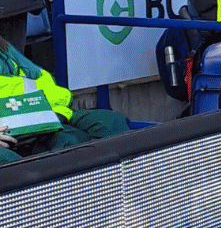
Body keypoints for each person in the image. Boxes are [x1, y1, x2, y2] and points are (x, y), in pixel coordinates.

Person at [0, 36, 128, 165]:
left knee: (111, 122)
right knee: (67, 141)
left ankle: (119, 174)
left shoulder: (4, 49)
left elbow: (45, 83)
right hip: (8, 129)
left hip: (40, 115)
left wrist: (57, 113)